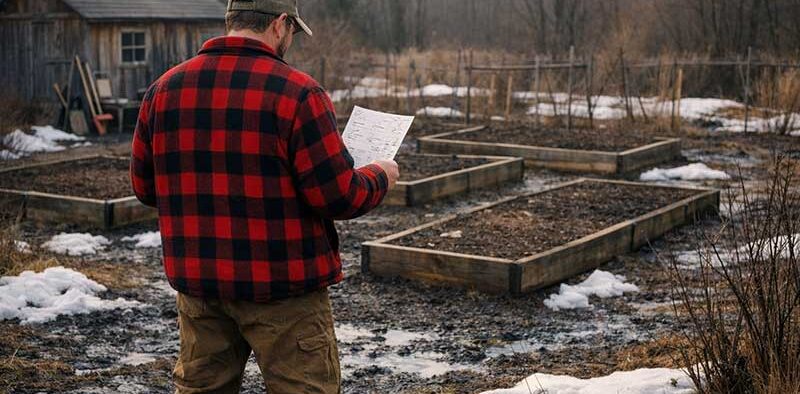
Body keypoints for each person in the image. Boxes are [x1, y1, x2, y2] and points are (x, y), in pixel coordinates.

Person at [130, 0, 399, 392]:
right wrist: (381, 174)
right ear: (279, 25)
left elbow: (145, 188)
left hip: (201, 288)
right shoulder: (299, 94)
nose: (290, 39)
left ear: (232, 22)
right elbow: (338, 196)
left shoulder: (164, 90)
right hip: (285, 292)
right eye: (291, 30)